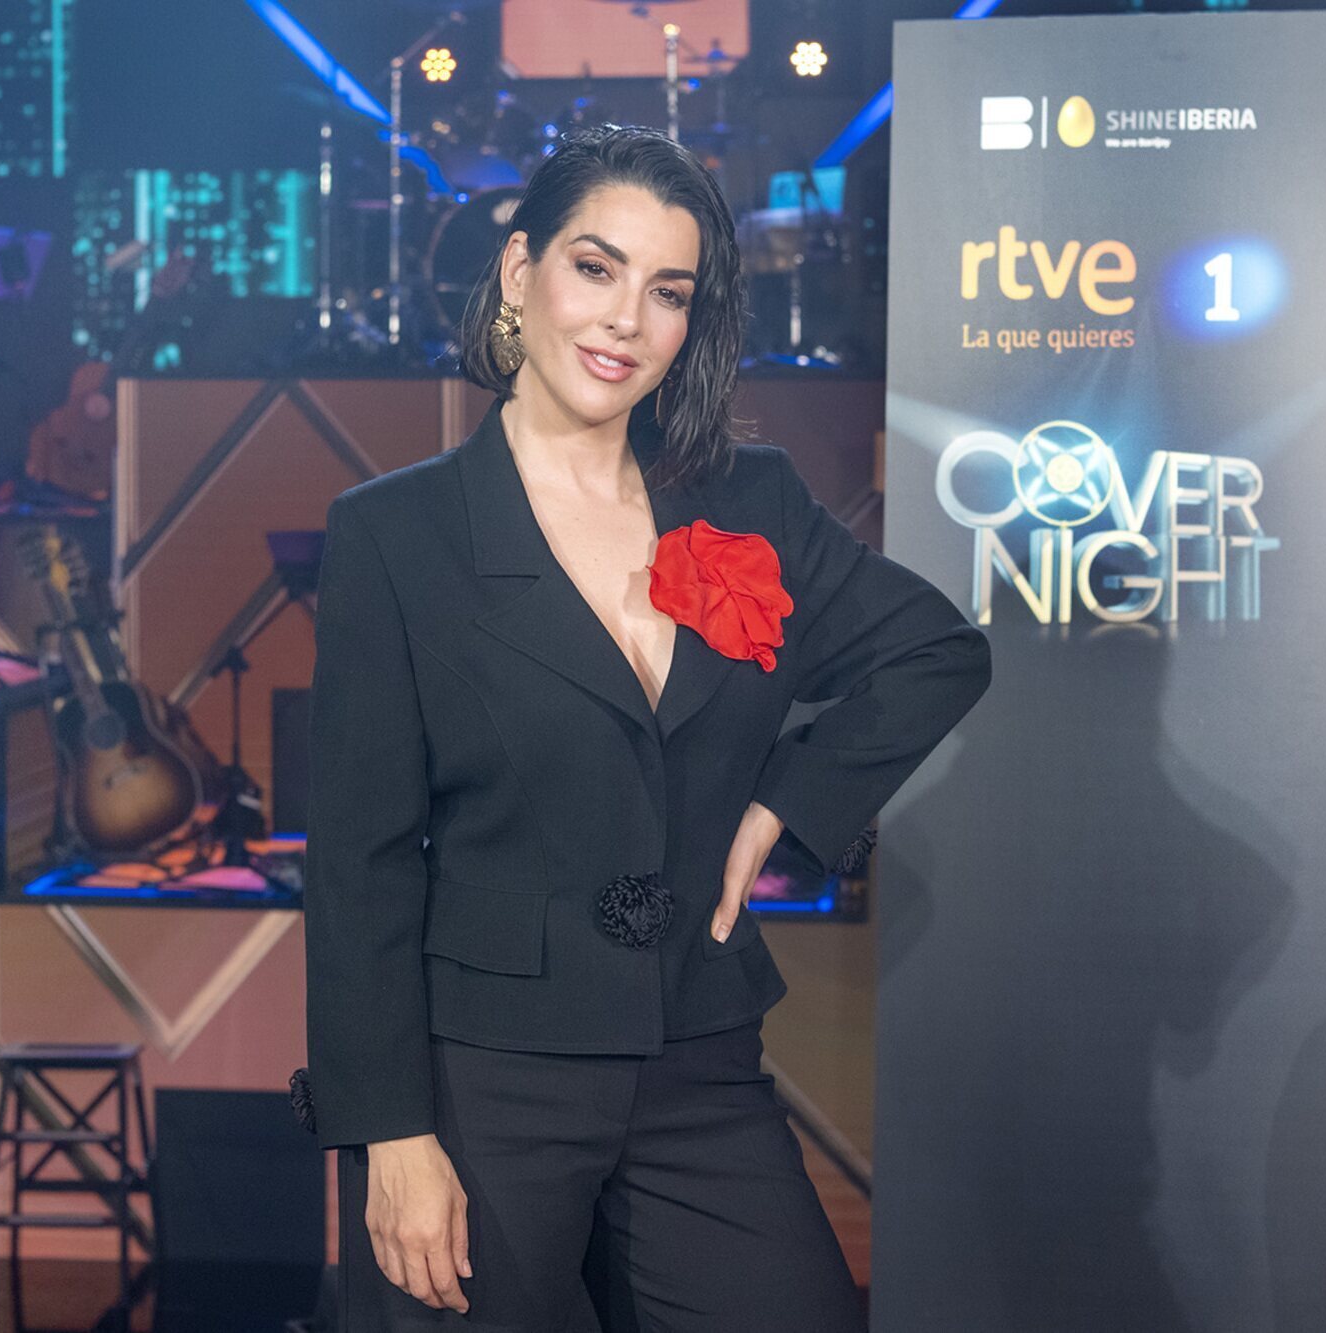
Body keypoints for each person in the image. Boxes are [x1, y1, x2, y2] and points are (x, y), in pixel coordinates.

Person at [294, 124, 992, 1330]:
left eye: (667, 291)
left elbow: (937, 652)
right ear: (520, 273)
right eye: (594, 268)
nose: (625, 319)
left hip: (698, 1060)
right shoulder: (395, 534)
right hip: (482, 1081)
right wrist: (389, 1135)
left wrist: (786, 802)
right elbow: (357, 861)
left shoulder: (747, 500)